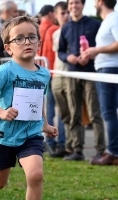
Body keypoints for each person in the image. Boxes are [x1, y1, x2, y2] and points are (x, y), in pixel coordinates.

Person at [0, 16, 58, 200]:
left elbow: (38, 100)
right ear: (8, 48)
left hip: (31, 135)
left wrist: (45, 125)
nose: (26, 41)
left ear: (38, 43)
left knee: (36, 176)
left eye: (31, 37)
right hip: (4, 136)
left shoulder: (44, 74)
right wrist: (2, 112)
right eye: (19, 38)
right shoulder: (5, 70)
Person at [58, 0, 106, 161]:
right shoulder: (65, 27)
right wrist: (68, 57)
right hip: (72, 74)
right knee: (74, 113)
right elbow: (60, 52)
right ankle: (77, 150)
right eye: (71, 3)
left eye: (77, 3)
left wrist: (91, 56)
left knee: (94, 113)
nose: (73, 6)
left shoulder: (95, 24)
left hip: (91, 73)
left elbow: (103, 47)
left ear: (83, 5)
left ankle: (101, 151)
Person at [82, 0, 118, 165]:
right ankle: (111, 152)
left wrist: (97, 50)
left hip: (111, 70)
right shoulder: (108, 20)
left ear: (100, 2)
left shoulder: (115, 18)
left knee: (109, 113)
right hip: (105, 68)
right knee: (107, 113)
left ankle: (113, 153)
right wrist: (92, 53)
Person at [37, 4, 65, 158]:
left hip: (38, 74)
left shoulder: (37, 29)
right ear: (51, 14)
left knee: (45, 109)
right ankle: (59, 142)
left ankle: (46, 141)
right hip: (53, 73)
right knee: (58, 109)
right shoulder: (54, 29)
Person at [50, 2, 72, 157]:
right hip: (57, 75)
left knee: (71, 113)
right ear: (56, 16)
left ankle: (68, 145)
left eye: (67, 12)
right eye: (62, 13)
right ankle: (60, 144)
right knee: (61, 112)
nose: (66, 15)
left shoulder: (73, 30)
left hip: (70, 75)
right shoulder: (55, 33)